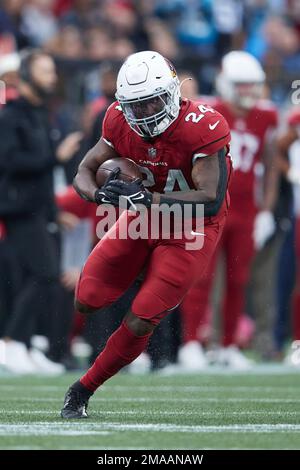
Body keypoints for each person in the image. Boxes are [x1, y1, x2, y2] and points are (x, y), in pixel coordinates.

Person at [60, 50, 232, 419]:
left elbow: (210, 200)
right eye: (135, 105)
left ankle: (82, 390)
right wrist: (98, 194)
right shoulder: (117, 119)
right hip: (144, 217)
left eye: (152, 101)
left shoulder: (202, 124)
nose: (144, 113)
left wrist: (147, 197)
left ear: (171, 93)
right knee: (87, 298)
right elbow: (85, 170)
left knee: (141, 316)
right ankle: (146, 270)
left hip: (191, 227)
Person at [179, 51, 278, 369]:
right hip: (211, 205)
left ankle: (228, 345)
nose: (248, 92)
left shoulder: (267, 117)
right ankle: (191, 342)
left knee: (239, 279)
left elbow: (271, 164)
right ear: (226, 83)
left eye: (252, 85)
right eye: (242, 85)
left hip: (247, 208)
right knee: (200, 277)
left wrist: (267, 210)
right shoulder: (207, 111)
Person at [0, 49, 81, 374]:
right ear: (26, 76)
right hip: (17, 209)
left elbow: (43, 178)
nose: (52, 77)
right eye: (45, 71)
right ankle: (13, 343)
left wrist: (53, 212)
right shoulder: (11, 115)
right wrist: (56, 157)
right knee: (44, 274)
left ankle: (22, 344)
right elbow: (9, 163)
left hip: (37, 209)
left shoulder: (39, 113)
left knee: (39, 277)